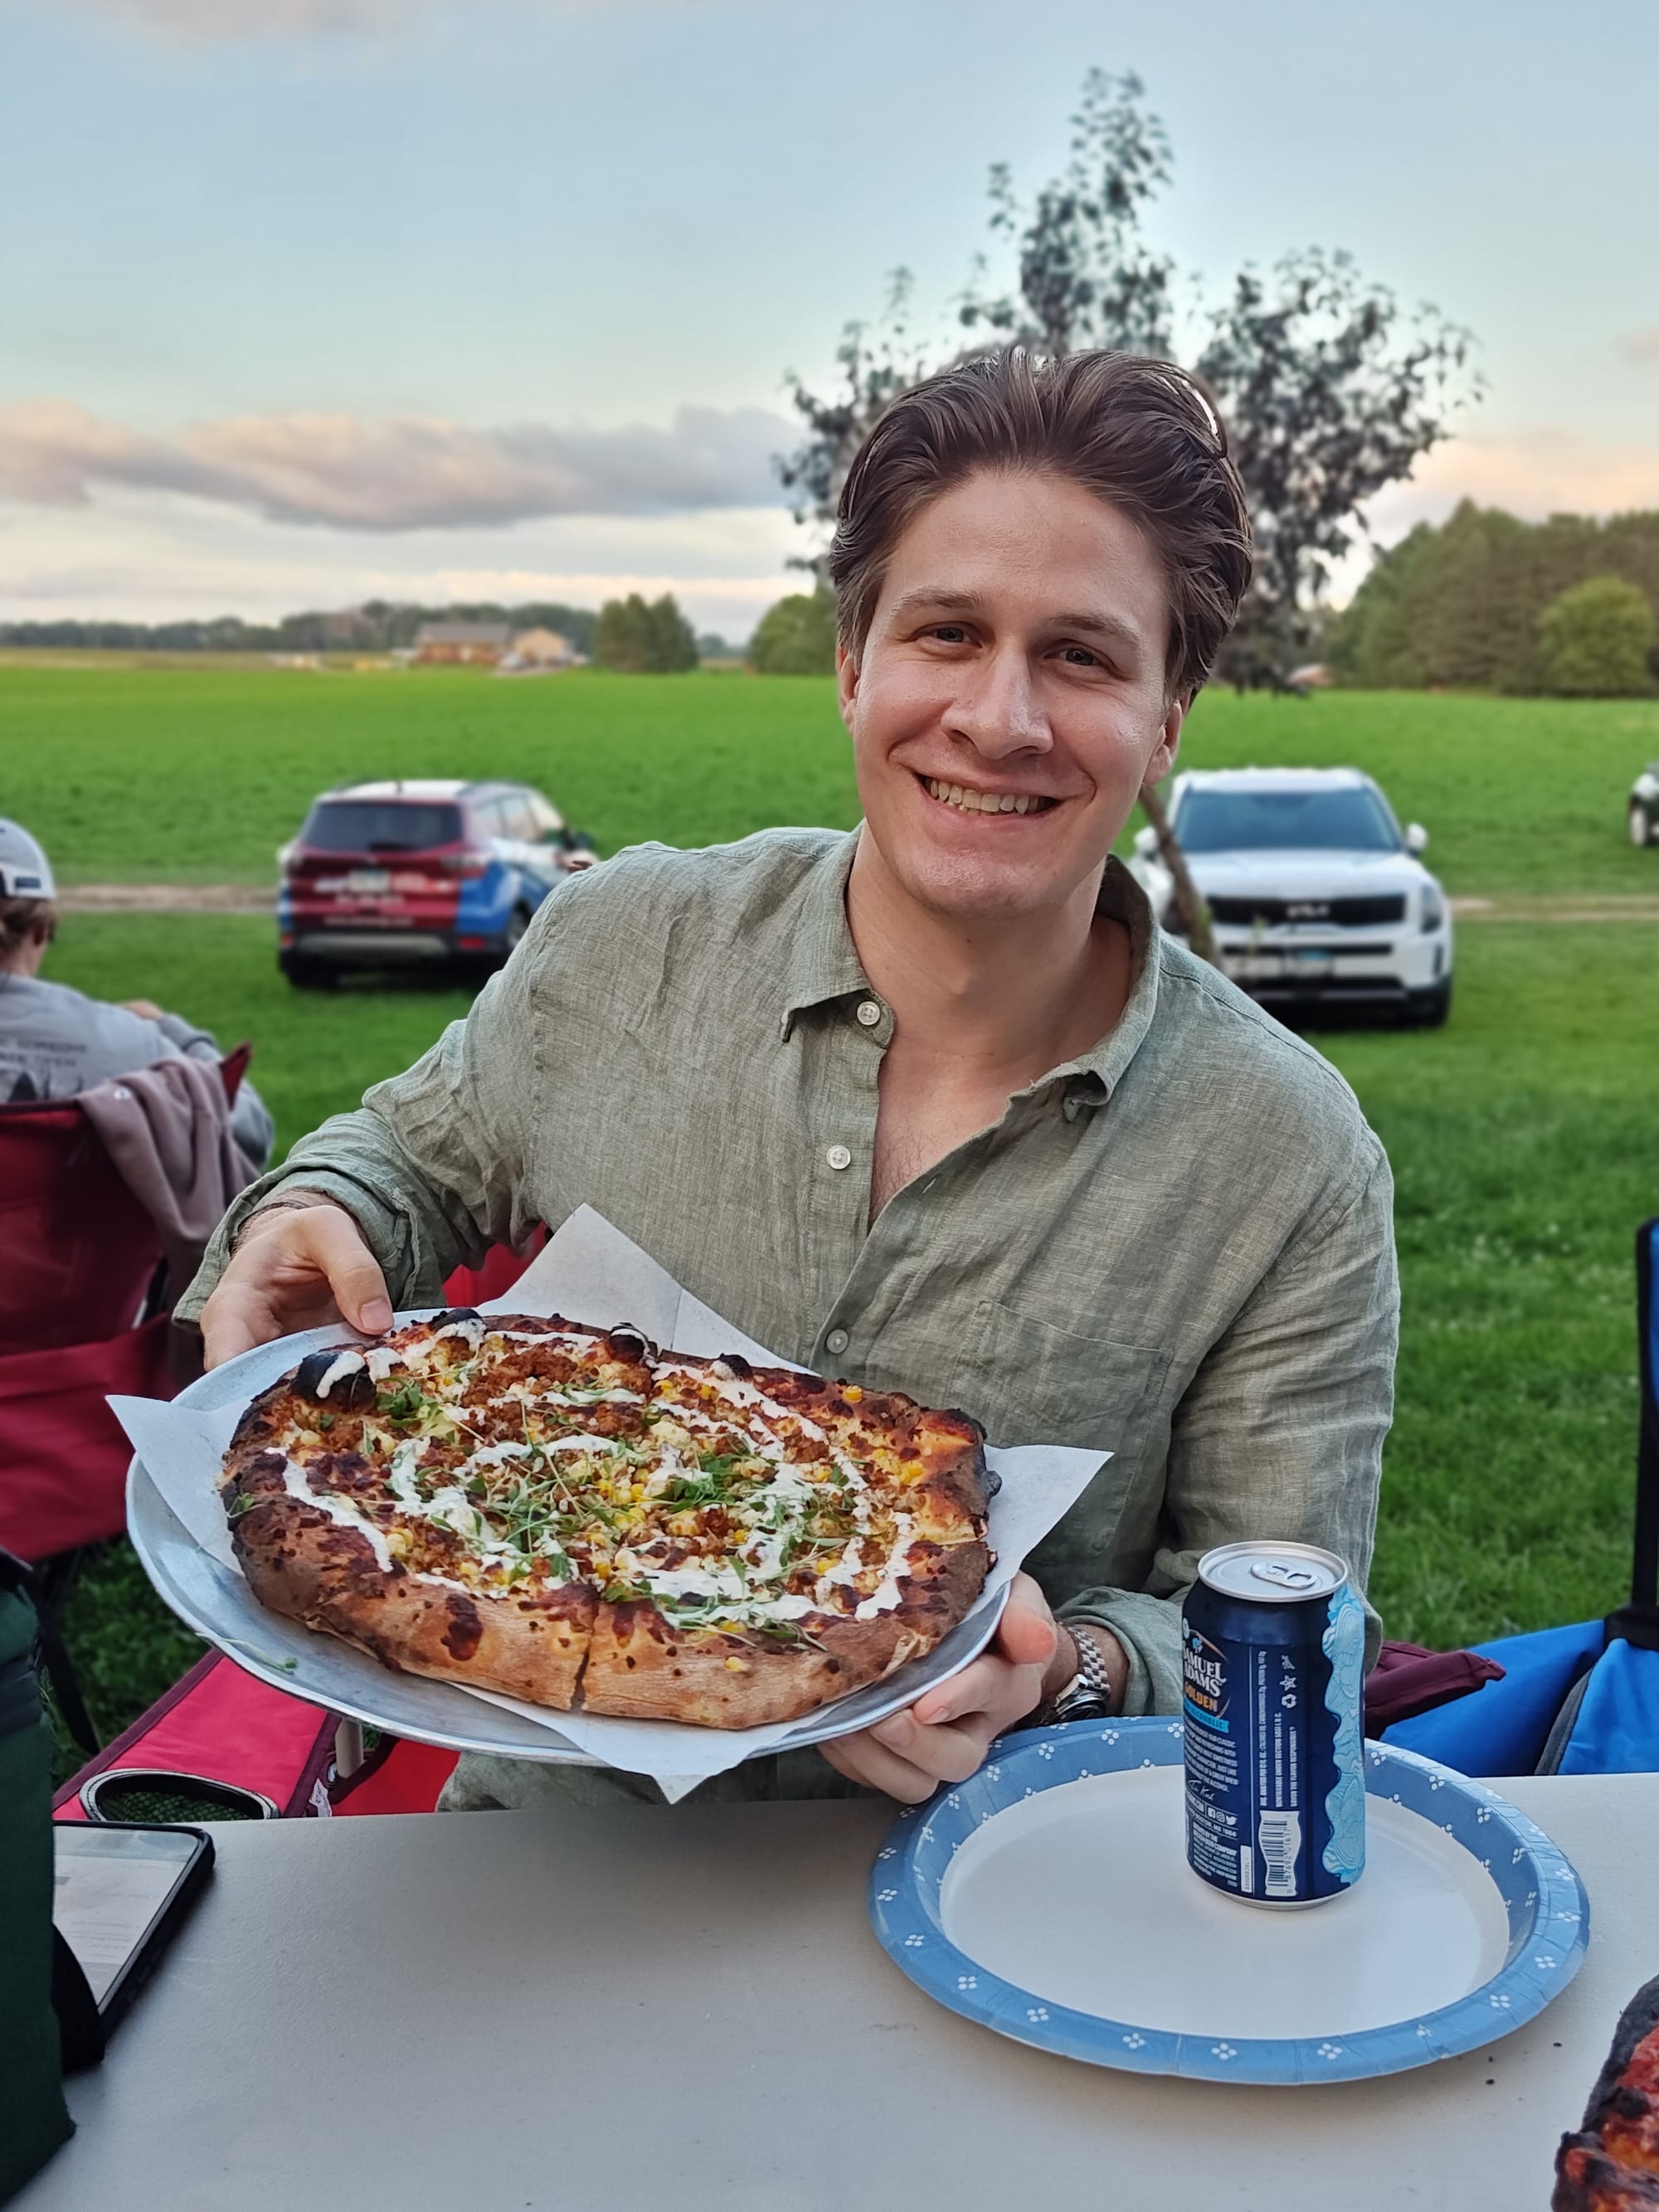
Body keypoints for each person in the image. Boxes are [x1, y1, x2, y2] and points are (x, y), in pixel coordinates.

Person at [181, 348, 1397, 1810]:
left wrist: (1058, 1670)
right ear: (851, 665)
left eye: (1081, 655)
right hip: (527, 1877)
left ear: (1167, 722)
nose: (1001, 718)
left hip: (1003, 1890)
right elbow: (407, 1156)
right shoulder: (619, 943)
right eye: (947, 632)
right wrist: (312, 1211)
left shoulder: (1287, 1152)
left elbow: (1285, 1615)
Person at [0, 821, 275, 1166]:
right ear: (41, 930)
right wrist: (175, 1033)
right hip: (80, 1222)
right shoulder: (128, 1043)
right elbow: (251, 1133)